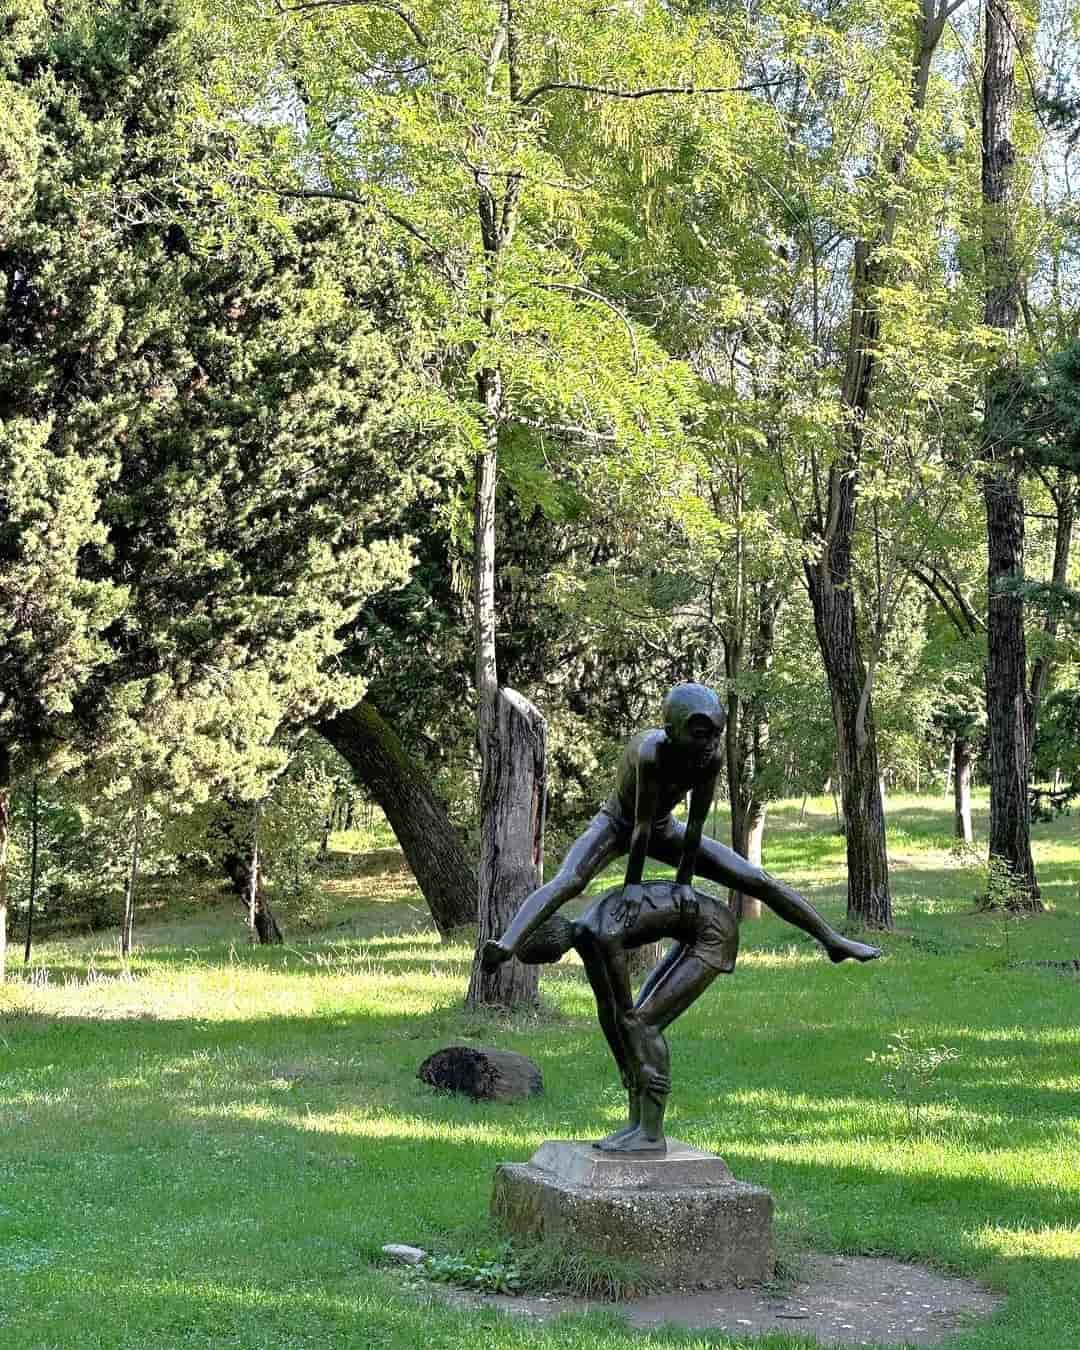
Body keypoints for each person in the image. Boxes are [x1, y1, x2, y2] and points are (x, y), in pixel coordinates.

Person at [482, 681, 882, 974]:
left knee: (755, 879)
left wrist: (685, 884)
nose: (709, 744)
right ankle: (508, 943)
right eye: (700, 734)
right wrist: (632, 887)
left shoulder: (710, 757)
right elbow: (638, 827)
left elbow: (695, 825)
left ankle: (832, 941)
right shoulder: (651, 754)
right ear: (673, 730)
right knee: (570, 880)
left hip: (663, 827)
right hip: (617, 824)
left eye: (715, 735)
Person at [514, 879, 740, 1154]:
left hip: (715, 933)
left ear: (551, 957)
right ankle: (637, 1126)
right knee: (636, 1028)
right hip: (696, 931)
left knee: (646, 1026)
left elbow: (627, 1012)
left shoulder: (601, 933)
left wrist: (641, 1066)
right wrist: (624, 1064)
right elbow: (607, 1007)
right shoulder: (585, 933)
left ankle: (651, 1135)